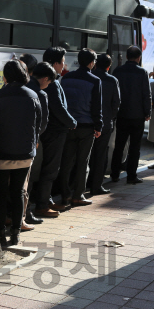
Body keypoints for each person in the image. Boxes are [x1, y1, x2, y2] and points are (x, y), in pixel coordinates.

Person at [0, 60, 42, 246]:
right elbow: (39, 125)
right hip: (25, 153)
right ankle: (15, 233)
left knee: (1, 191)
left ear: (5, 76)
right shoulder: (33, 95)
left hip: (2, 153)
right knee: (18, 192)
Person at [33, 47, 77, 217]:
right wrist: (72, 122)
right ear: (56, 63)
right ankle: (42, 204)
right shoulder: (52, 83)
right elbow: (58, 108)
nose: (64, 65)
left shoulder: (47, 80)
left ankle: (47, 199)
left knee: (49, 167)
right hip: (55, 130)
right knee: (51, 168)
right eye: (63, 61)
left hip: (48, 129)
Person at [58, 48, 102, 206]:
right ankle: (78, 195)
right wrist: (98, 126)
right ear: (91, 63)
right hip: (86, 126)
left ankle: (65, 195)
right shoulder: (95, 80)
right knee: (83, 162)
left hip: (69, 125)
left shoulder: (66, 78)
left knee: (67, 161)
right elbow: (97, 107)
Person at [110, 46, 151, 184]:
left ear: (127, 57)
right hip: (137, 115)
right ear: (139, 58)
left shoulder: (117, 71)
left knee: (119, 145)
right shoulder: (142, 72)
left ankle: (114, 174)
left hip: (121, 114)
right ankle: (131, 176)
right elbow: (146, 94)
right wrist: (147, 112)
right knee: (135, 147)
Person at [22, 61, 56, 228]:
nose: (48, 85)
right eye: (49, 82)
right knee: (27, 180)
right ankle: (25, 214)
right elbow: (42, 123)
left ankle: (10, 215)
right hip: (30, 143)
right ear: (44, 78)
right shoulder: (40, 95)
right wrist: (36, 138)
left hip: (10, 141)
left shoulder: (21, 86)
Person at [87, 53, 120, 195]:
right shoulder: (112, 81)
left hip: (87, 122)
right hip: (105, 123)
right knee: (100, 155)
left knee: (86, 155)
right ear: (109, 66)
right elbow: (116, 104)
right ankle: (96, 185)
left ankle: (84, 183)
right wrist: (109, 118)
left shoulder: (89, 77)